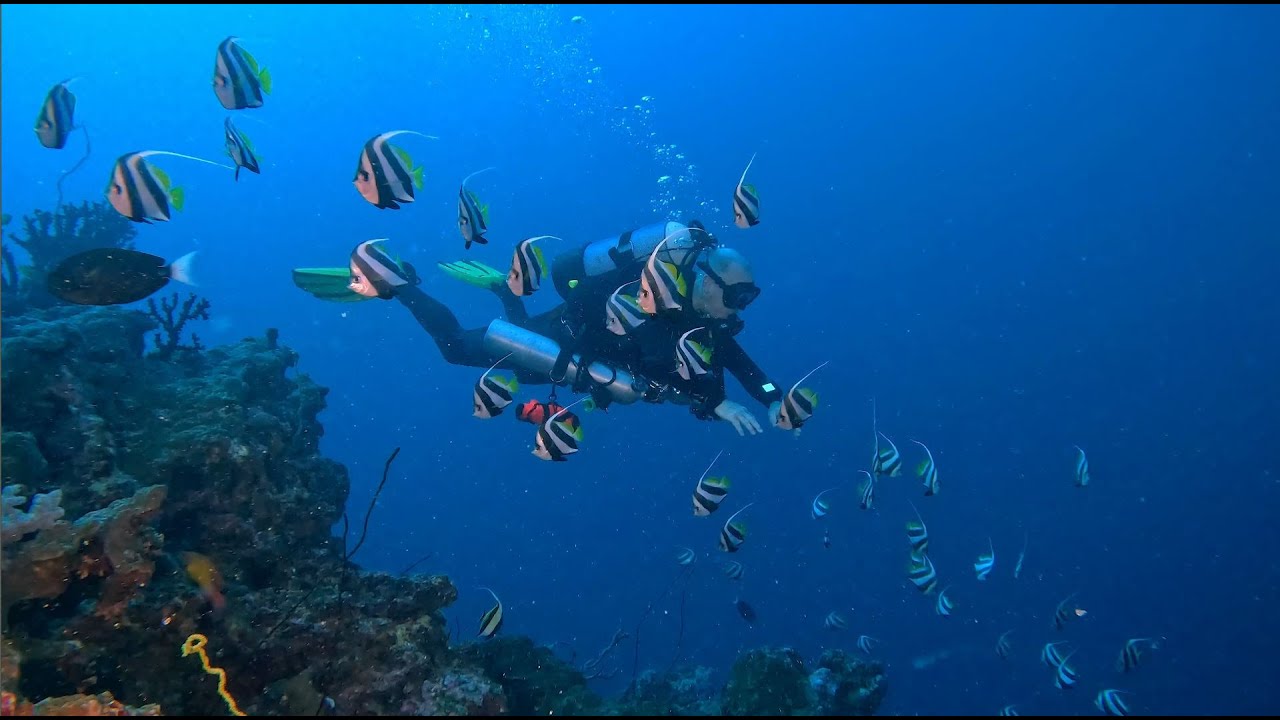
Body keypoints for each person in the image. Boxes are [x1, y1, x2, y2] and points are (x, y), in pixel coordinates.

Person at [298, 220, 783, 435]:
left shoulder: (702, 315)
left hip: (572, 346)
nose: (743, 306)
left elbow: (735, 360)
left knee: (524, 331)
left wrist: (772, 395)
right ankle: (397, 283)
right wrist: (711, 400)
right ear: (707, 281)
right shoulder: (651, 291)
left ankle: (502, 291)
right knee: (453, 348)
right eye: (739, 295)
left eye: (750, 296)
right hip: (565, 348)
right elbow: (653, 348)